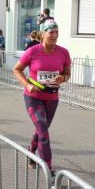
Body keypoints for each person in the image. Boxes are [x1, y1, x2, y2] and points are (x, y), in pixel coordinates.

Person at [13, 19, 71, 176]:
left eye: (57, 32)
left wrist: (62, 78)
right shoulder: (33, 51)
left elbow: (67, 74)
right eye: (51, 32)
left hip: (52, 98)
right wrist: (27, 85)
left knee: (41, 130)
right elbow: (17, 70)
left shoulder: (63, 52)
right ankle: (49, 170)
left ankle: (31, 151)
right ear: (43, 33)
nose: (55, 35)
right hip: (33, 97)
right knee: (43, 132)